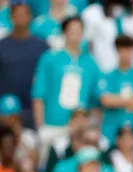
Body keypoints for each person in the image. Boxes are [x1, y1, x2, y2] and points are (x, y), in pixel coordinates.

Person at [31, 16, 100, 156]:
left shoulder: (91, 64)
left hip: (80, 128)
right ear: (64, 32)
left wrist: (91, 125)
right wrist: (41, 126)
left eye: (79, 30)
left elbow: (95, 100)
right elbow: (38, 94)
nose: (75, 34)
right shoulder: (49, 58)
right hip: (53, 124)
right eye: (71, 30)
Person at [0, 0, 48, 130]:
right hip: (5, 113)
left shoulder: (42, 46)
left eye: (23, 14)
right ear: (11, 17)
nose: (20, 18)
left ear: (30, 16)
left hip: (32, 112)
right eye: (17, 15)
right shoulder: (2, 46)